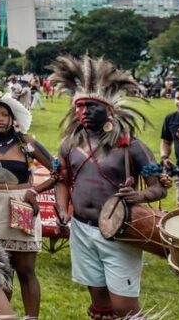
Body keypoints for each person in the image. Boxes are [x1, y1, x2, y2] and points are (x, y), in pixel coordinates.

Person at [51, 56, 166, 320]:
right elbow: (62, 180)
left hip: (119, 230)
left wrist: (138, 195)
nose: (84, 112)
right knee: (100, 304)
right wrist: (62, 211)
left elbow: (159, 189)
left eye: (91, 106)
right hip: (81, 229)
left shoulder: (132, 146)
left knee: (125, 308)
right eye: (79, 106)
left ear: (109, 110)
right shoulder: (69, 145)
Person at [0, 93, 54, 320]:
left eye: (4, 115)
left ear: (12, 118)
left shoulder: (26, 143)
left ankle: (31, 318)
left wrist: (34, 191)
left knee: (25, 270)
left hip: (21, 206)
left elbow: (58, 171)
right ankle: (2, 316)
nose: (0, 119)